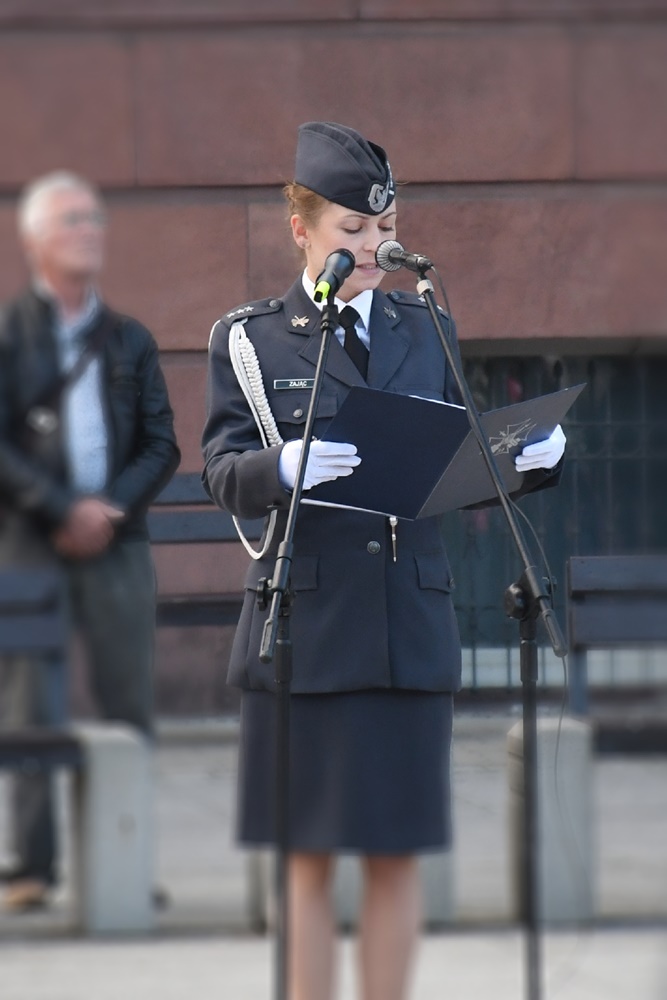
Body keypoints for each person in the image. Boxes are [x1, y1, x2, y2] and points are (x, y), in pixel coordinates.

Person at [202, 122, 566, 1000]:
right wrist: (277, 468)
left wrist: (523, 463)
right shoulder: (253, 339)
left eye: (383, 226)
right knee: (308, 862)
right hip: (307, 626)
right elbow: (219, 471)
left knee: (397, 856)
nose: (373, 247)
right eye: (349, 231)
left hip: (406, 618)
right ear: (300, 229)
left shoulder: (423, 321)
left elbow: (452, 466)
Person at [0, 171, 180, 911]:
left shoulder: (129, 339)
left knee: (127, 705)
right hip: (30, 545)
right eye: (72, 219)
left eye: (96, 218)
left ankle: (126, 861)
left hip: (117, 543)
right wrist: (58, 507)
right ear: (36, 239)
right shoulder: (10, 334)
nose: (89, 230)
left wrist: (107, 509)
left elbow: (161, 445)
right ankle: (33, 869)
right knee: (29, 710)